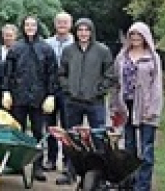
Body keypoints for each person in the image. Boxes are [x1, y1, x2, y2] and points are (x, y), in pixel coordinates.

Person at [55, 17, 115, 185]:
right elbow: (61, 73)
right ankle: (70, 172)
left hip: (94, 103)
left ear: (91, 32)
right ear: (75, 32)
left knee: (98, 138)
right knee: (72, 139)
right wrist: (68, 89)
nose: (83, 33)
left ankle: (101, 175)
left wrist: (98, 91)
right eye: (80, 30)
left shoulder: (102, 50)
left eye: (86, 30)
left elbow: (110, 75)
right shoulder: (68, 50)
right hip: (73, 101)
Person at [1, 16, 57, 182]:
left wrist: (51, 94)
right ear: (23, 27)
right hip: (18, 97)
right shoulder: (16, 48)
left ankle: (37, 166)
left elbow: (52, 74)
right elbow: (7, 72)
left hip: (39, 99)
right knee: (17, 131)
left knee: (38, 133)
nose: (30, 27)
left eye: (33, 25)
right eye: (27, 24)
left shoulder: (46, 49)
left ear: (38, 26)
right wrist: (6, 91)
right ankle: (16, 164)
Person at [110, 22, 161, 191]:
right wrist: (114, 107)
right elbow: (116, 84)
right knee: (129, 149)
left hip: (146, 108)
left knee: (146, 150)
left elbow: (157, 85)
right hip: (127, 106)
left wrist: (152, 110)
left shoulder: (153, 57)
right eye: (132, 35)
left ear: (145, 37)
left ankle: (143, 186)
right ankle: (129, 183)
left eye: (139, 35)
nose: (135, 38)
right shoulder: (122, 56)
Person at [44, 12, 74, 173]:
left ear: (70, 24)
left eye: (65, 22)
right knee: (50, 126)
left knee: (68, 127)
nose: (62, 24)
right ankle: (51, 159)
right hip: (50, 90)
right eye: (59, 22)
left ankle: (68, 161)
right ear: (55, 24)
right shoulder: (46, 43)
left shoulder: (76, 44)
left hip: (68, 92)